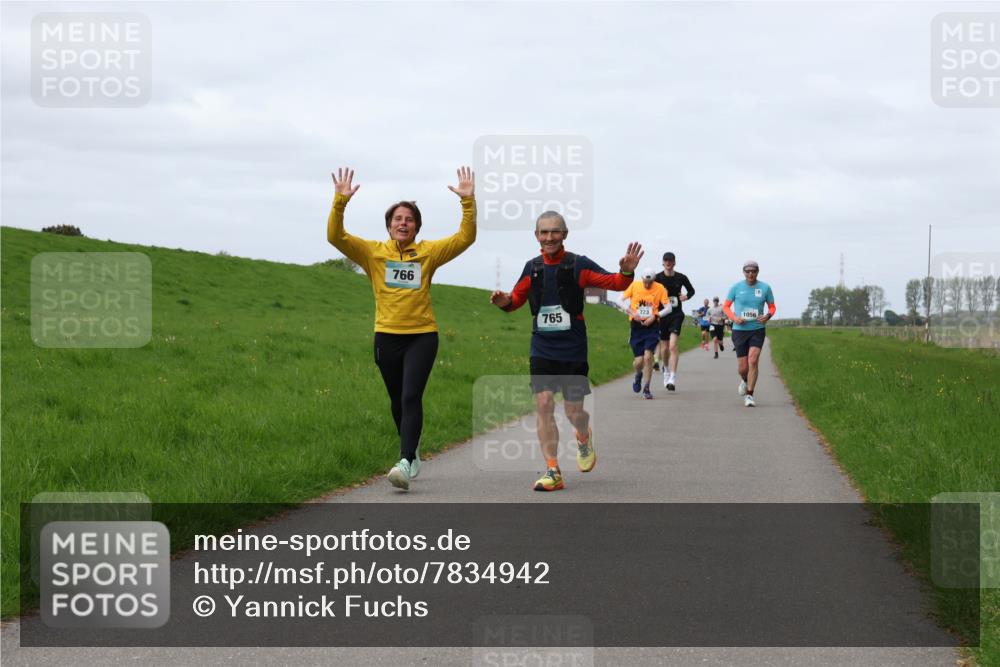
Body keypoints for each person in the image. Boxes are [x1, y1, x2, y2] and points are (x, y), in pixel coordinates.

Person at [327, 166, 476, 490]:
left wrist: (468, 202)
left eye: (409, 219)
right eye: (398, 219)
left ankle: (405, 460)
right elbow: (335, 237)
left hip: (422, 335)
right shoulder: (372, 252)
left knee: (411, 396)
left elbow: (466, 238)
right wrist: (340, 203)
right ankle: (412, 450)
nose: (403, 223)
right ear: (389, 226)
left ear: (417, 226)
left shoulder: (428, 253)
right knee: (397, 399)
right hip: (386, 335)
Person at [491, 212, 642, 492]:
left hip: (572, 349)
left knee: (575, 413)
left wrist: (627, 271)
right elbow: (515, 300)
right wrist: (504, 302)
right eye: (544, 232)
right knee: (544, 404)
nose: (549, 237)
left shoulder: (577, 265)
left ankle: (583, 436)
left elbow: (615, 283)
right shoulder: (532, 268)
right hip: (542, 348)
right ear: (536, 236)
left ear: (565, 234)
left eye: (555, 232)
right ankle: (553, 470)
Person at [723, 260, 776, 408]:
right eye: (748, 271)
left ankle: (750, 395)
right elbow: (726, 306)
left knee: (753, 360)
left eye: (753, 271)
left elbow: (772, 306)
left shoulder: (765, 288)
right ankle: (745, 380)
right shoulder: (736, 287)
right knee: (743, 367)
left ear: (757, 272)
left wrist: (768, 316)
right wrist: (734, 318)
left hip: (757, 329)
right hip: (739, 330)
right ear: (744, 272)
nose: (750, 274)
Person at [621, 268, 671, 399]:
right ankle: (638, 374)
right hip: (636, 327)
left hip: (652, 326)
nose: (647, 285)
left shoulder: (660, 288)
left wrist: (655, 316)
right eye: (645, 282)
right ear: (642, 279)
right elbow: (619, 300)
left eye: (650, 282)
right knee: (638, 362)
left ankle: (647, 388)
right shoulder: (635, 285)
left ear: (653, 280)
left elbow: (668, 308)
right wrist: (632, 312)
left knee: (648, 357)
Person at [653, 252, 695, 392]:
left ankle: (672, 377)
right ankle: (665, 369)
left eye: (671, 260)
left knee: (672, 346)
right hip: (663, 315)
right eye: (666, 260)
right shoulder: (657, 278)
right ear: (663, 262)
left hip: (676, 314)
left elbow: (692, 290)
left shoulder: (681, 277)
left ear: (674, 262)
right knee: (664, 349)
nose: (668, 263)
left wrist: (686, 297)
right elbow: (650, 292)